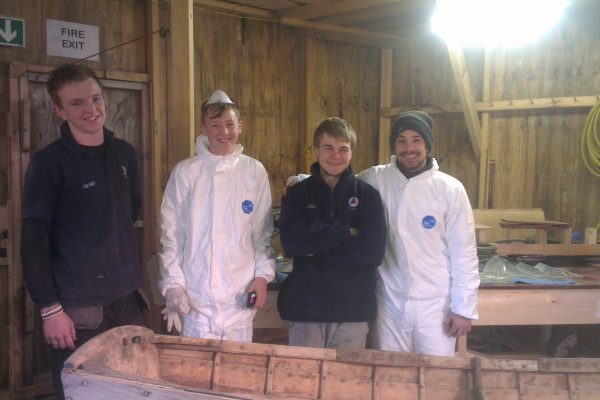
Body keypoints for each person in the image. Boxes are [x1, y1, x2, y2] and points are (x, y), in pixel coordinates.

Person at [21, 64, 147, 399]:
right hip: (77, 311)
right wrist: (50, 309)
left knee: (136, 391)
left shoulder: (125, 155)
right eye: (77, 103)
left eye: (95, 98)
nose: (91, 109)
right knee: (83, 393)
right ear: (59, 111)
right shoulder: (49, 164)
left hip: (126, 300)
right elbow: (33, 241)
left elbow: (130, 212)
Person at [357, 110, 479, 356]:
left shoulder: (449, 189)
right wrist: (301, 180)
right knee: (390, 373)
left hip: (436, 305)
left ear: (427, 145)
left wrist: (463, 308)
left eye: (416, 140)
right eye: (401, 140)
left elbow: (464, 252)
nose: (408, 148)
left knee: (437, 373)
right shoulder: (377, 178)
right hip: (389, 302)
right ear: (394, 146)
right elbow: (339, 185)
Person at [158, 90, 275, 342]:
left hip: (239, 302)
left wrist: (262, 276)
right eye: (215, 125)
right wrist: (174, 284)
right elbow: (171, 235)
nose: (224, 132)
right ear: (204, 128)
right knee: (196, 366)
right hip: (196, 303)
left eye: (230, 124)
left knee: (238, 365)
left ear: (240, 126)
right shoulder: (186, 172)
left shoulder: (254, 171)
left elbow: (262, 234)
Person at [277, 117, 386, 349]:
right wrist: (346, 232)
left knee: (346, 373)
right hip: (307, 308)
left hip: (353, 310)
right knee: (304, 372)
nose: (336, 156)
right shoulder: (298, 194)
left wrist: (314, 248)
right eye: (328, 148)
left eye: (343, 149)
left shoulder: (368, 197)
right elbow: (292, 243)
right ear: (316, 151)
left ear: (351, 152)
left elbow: (372, 253)